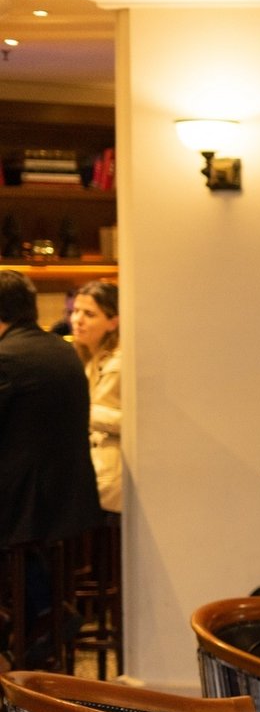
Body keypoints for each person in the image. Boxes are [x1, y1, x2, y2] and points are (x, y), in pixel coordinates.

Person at [0, 270, 102, 667]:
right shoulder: (60, 349)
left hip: (27, 501)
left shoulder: (8, 357)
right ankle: (43, 612)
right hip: (65, 495)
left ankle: (35, 617)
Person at [71, 280, 122, 514]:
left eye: (89, 314)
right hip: (97, 470)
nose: (77, 320)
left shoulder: (118, 364)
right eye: (75, 311)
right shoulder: (88, 358)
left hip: (113, 476)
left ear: (113, 322)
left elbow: (135, 421)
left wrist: (77, 410)